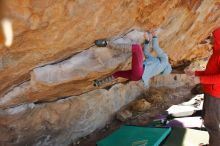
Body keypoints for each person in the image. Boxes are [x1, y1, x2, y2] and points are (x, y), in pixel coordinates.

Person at [93, 30, 172, 87]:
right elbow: (146, 53)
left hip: (140, 71)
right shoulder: (156, 66)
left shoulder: (165, 60)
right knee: (118, 73)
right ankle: (99, 83)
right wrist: (147, 41)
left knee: (137, 48)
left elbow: (155, 46)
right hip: (136, 77)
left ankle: (107, 44)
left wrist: (154, 36)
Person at [185, 27, 220, 146]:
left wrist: (200, 79)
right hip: (211, 92)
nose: (211, 39)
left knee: (212, 123)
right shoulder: (216, 53)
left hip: (215, 95)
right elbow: (210, 73)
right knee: (209, 120)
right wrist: (195, 73)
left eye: (213, 37)